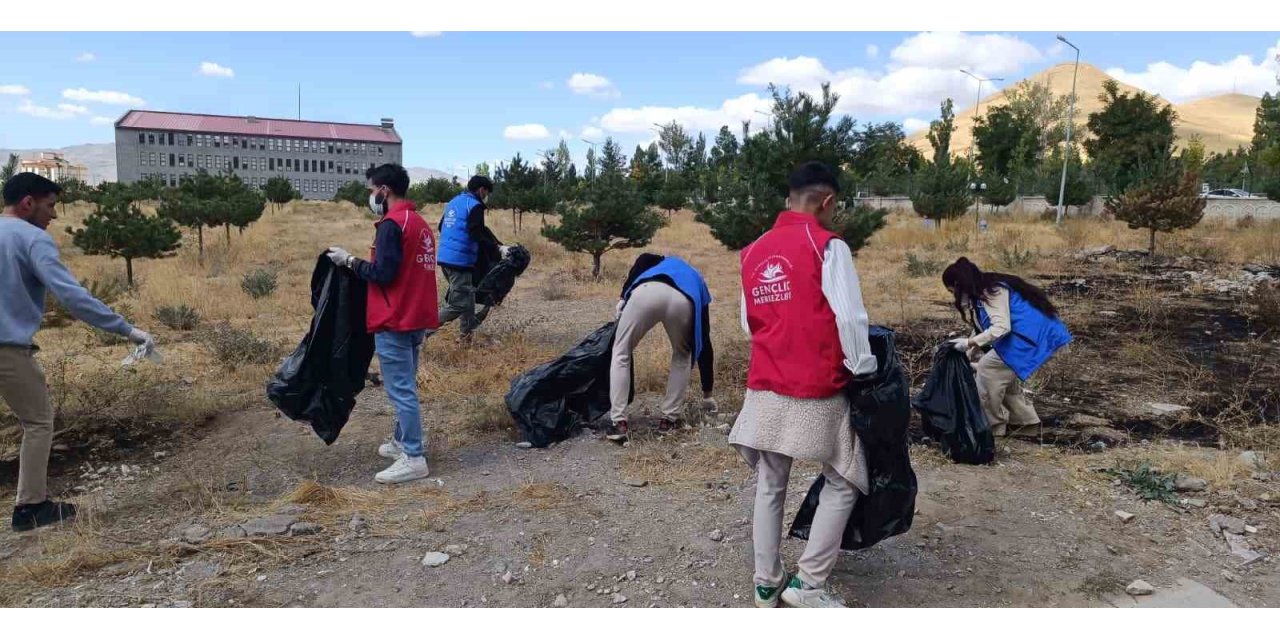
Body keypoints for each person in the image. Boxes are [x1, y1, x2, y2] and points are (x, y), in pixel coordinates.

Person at [730, 161, 877, 608]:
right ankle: (808, 586)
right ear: (827, 201)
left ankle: (766, 584)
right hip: (816, 384)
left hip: (765, 383)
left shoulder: (752, 251)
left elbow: (748, 323)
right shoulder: (828, 245)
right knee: (845, 476)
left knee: (771, 480)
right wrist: (864, 367)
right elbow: (850, 317)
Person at [2, 173, 155, 531]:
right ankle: (31, 507)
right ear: (28, 202)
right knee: (38, 422)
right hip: (7, 349)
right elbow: (72, 297)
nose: (54, 215)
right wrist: (127, 329)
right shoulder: (32, 238)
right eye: (50, 205)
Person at [326, 164, 439, 484]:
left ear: (384, 190)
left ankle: (414, 457)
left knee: (400, 389)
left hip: (395, 318)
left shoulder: (392, 225)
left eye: (371, 190)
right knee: (406, 385)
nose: (371, 195)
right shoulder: (418, 222)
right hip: (415, 316)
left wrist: (350, 261)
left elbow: (384, 274)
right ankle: (403, 441)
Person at [941, 257, 1071, 437]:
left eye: (952, 291)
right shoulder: (983, 291)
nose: (954, 296)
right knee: (1001, 375)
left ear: (958, 284)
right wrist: (968, 350)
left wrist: (969, 343)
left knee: (988, 369)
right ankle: (1026, 424)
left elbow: (1001, 328)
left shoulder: (991, 291)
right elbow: (984, 327)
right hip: (1031, 336)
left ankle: (991, 427)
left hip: (1034, 337)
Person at [606, 253, 716, 442]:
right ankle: (669, 420)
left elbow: (642, 258)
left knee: (621, 351)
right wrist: (707, 393)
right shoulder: (697, 279)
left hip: (647, 292)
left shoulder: (658, 261)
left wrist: (624, 296)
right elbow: (704, 338)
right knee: (683, 355)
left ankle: (619, 422)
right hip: (683, 300)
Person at [437, 176, 509, 344]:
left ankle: (465, 340)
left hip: (445, 259)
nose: (486, 196)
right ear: (481, 190)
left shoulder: (454, 202)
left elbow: (441, 227)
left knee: (468, 299)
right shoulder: (475, 206)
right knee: (458, 305)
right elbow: (477, 232)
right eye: (487, 192)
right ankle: (422, 331)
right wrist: (497, 248)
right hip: (459, 262)